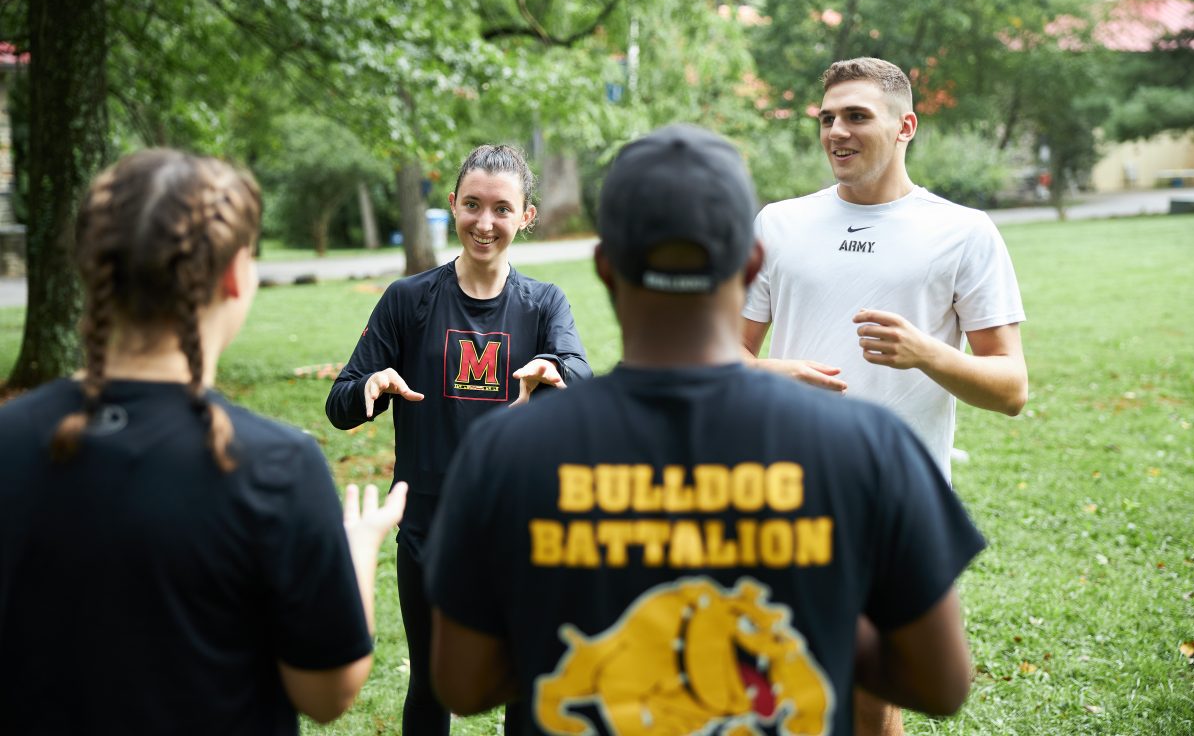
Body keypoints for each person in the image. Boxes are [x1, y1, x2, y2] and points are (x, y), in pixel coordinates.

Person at [424, 123, 984, 736]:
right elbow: (941, 681)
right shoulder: (870, 446)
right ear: (750, 263)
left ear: (607, 266)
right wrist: (815, 610)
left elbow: (462, 683)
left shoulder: (506, 451)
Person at [0, 150, 407, 735]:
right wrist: (358, 549)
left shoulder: (11, 442)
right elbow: (326, 692)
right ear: (235, 276)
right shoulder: (276, 466)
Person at [741, 56, 1027, 735]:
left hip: (899, 501)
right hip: (782, 489)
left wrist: (925, 352)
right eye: (827, 118)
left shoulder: (963, 232)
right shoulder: (776, 225)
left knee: (873, 697)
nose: (837, 131)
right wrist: (776, 374)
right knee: (774, 689)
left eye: (856, 116)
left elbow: (1011, 387)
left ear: (906, 126)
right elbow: (714, 360)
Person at [325, 144, 591, 735]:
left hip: (522, 528)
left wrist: (555, 371)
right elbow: (340, 405)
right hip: (428, 529)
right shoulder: (408, 300)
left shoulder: (544, 304)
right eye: (472, 205)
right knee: (432, 681)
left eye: (501, 208)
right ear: (452, 206)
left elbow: (581, 372)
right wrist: (371, 383)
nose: (485, 223)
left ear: (526, 215)